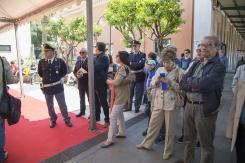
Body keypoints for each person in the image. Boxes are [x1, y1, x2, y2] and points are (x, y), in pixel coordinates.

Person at [177, 36, 226, 163]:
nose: (203, 47)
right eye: (202, 44)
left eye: (208, 45)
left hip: (204, 108)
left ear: (216, 48)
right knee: (188, 140)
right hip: (188, 105)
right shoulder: (197, 63)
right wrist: (195, 84)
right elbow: (182, 82)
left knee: (206, 144)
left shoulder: (218, 66)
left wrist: (192, 83)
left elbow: (205, 84)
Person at [136, 48, 183, 160]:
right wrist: (156, 82)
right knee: (153, 124)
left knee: (169, 129)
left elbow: (182, 89)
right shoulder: (159, 69)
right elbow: (151, 83)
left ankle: (168, 151)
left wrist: (170, 82)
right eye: (163, 61)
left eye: (168, 62)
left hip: (171, 104)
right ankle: (147, 143)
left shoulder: (179, 72)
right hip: (158, 102)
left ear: (173, 61)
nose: (165, 64)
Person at [101, 51, 132, 148]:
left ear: (121, 57)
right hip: (122, 94)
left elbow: (117, 82)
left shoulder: (123, 67)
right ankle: (122, 132)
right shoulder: (124, 67)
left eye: (117, 55)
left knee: (113, 116)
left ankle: (110, 139)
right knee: (119, 115)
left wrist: (108, 81)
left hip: (121, 96)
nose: (116, 56)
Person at [38, 43, 72, 128]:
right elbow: (41, 74)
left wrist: (59, 78)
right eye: (44, 51)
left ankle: (66, 119)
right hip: (47, 88)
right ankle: (53, 119)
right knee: (50, 106)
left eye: (47, 51)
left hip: (58, 87)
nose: (45, 53)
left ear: (53, 52)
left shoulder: (60, 62)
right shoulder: (41, 62)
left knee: (62, 104)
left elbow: (64, 72)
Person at [0, 56, 18, 162]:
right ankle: (1, 156)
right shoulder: (2, 61)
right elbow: (12, 79)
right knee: (0, 129)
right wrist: (17, 77)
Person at [226, 80, 245, 163]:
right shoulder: (242, 84)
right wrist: (230, 133)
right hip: (241, 130)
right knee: (241, 158)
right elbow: (233, 110)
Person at [126, 40, 146, 113]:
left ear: (139, 46)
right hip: (131, 76)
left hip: (139, 76)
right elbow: (128, 64)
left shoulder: (143, 55)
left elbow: (141, 65)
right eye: (133, 46)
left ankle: (137, 107)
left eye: (136, 46)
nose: (134, 47)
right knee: (129, 92)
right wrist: (135, 63)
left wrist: (132, 64)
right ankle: (128, 107)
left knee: (138, 93)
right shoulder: (130, 54)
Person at [94, 42, 110, 127]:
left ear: (98, 48)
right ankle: (97, 117)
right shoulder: (96, 56)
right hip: (95, 83)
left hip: (101, 83)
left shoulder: (104, 57)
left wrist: (91, 63)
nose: (95, 47)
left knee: (103, 102)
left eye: (95, 46)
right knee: (96, 102)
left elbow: (97, 68)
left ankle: (107, 120)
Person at [142, 60, 157, 136]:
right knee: (148, 113)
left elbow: (154, 84)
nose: (149, 66)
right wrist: (145, 89)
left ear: (154, 65)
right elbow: (146, 81)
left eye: (151, 65)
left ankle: (150, 129)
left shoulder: (155, 73)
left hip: (153, 96)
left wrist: (148, 88)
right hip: (148, 95)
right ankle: (149, 128)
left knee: (151, 114)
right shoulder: (148, 72)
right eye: (148, 65)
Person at [73, 48, 89, 117]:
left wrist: (83, 74)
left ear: (86, 53)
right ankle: (82, 111)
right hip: (80, 83)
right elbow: (74, 71)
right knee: (81, 99)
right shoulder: (78, 61)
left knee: (90, 99)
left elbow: (92, 71)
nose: (81, 54)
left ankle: (93, 114)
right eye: (80, 53)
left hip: (88, 83)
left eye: (83, 52)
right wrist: (77, 75)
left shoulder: (90, 61)